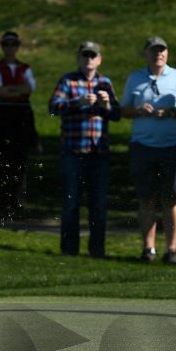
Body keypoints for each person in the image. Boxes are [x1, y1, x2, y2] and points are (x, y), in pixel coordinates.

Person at [120, 36, 176, 264]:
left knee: (171, 200)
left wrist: (170, 112)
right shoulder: (135, 78)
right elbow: (123, 110)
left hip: (171, 146)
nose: (158, 54)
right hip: (142, 146)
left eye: (162, 50)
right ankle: (148, 249)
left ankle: (171, 250)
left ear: (167, 54)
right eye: (153, 50)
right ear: (146, 54)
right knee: (146, 198)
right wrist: (139, 110)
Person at [48, 41, 120, 258]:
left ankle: (97, 250)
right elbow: (52, 108)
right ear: (78, 58)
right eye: (85, 55)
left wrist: (106, 105)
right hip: (73, 152)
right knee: (71, 203)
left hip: (98, 154)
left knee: (98, 204)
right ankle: (69, 250)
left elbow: (116, 115)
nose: (89, 59)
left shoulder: (105, 82)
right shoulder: (68, 81)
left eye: (93, 56)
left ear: (99, 60)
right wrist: (76, 102)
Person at [0, 30, 37, 221]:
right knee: (3, 160)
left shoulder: (25, 68)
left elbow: (29, 89)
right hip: (4, 118)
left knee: (20, 160)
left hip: (21, 117)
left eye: (13, 44)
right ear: (2, 46)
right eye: (6, 44)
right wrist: (18, 89)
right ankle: (2, 200)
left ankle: (17, 199)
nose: (10, 48)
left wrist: (10, 90)